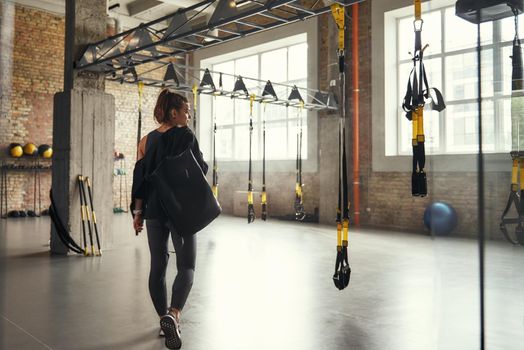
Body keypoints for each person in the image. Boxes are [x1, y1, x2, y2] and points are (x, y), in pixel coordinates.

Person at [131, 89, 208, 350]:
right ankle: (174, 314)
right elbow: (200, 169)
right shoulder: (186, 135)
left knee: (158, 265)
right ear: (174, 113)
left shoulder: (145, 141)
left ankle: (163, 317)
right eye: (186, 110)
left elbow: (139, 181)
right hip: (181, 210)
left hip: (153, 210)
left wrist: (137, 213)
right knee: (187, 266)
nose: (189, 114)